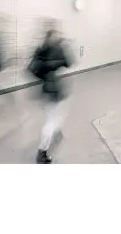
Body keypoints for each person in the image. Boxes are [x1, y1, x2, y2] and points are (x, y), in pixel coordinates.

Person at [29, 28, 74, 164]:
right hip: (52, 90)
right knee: (51, 121)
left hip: (48, 88)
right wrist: (64, 46)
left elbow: (32, 68)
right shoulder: (53, 50)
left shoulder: (41, 49)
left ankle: (56, 130)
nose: (58, 37)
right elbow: (68, 62)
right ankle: (42, 152)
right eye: (56, 35)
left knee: (56, 115)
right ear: (51, 37)